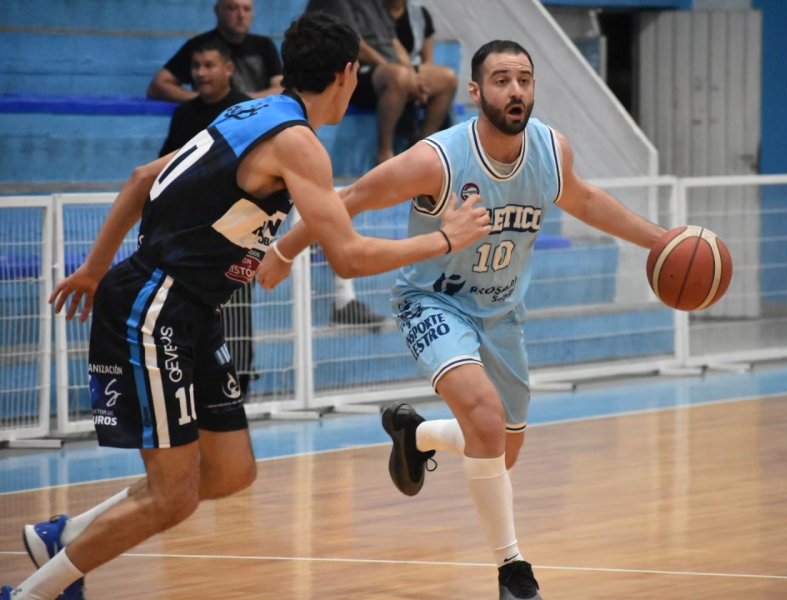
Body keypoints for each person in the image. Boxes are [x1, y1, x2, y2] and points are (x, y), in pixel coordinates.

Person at [0, 12, 490, 600]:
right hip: (156, 304)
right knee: (174, 497)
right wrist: (445, 239)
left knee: (231, 472)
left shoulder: (251, 111)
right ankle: (31, 594)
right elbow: (349, 257)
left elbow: (140, 178)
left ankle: (65, 537)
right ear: (347, 74)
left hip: (192, 309)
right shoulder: (298, 142)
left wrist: (95, 267)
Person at [254, 39, 666, 599]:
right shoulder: (438, 160)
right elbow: (349, 200)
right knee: (486, 421)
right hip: (433, 302)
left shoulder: (551, 151)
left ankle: (416, 434)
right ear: (474, 92)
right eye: (502, 79)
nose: (516, 89)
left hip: (502, 313)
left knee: (501, 450)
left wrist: (660, 240)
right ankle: (513, 570)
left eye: (524, 79)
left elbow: (587, 201)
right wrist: (283, 251)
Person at [158, 37, 258, 398]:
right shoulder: (185, 115)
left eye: (209, 65)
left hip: (235, 237)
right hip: (188, 241)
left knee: (236, 316)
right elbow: (164, 173)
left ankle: (239, 386)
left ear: (229, 69)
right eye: (196, 66)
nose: (201, 73)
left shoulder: (246, 113)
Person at [305, 0, 428, 164]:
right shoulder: (337, 3)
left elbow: (394, 41)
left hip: (391, 67)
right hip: (361, 69)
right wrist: (399, 72)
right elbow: (356, 46)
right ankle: (384, 152)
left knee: (446, 78)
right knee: (397, 77)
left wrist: (413, 76)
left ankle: (424, 148)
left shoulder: (376, 3)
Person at [147, 0, 282, 103]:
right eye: (232, 8)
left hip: (253, 117)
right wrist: (202, 100)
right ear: (218, 10)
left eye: (247, 9)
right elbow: (158, 86)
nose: (241, 15)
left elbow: (280, 88)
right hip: (210, 119)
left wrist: (239, 102)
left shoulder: (264, 45)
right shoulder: (200, 46)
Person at [387, 0, 458, 146]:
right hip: (387, 69)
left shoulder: (419, 14)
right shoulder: (375, 14)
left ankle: (426, 141)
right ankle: (386, 149)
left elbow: (428, 60)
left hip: (416, 70)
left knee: (448, 78)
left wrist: (422, 82)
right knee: (400, 78)